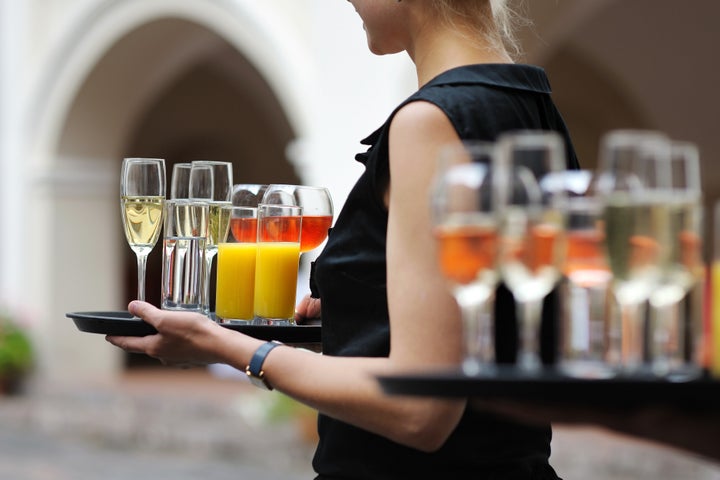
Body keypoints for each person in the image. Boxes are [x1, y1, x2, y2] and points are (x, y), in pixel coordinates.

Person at [107, 1, 579, 478]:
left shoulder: (431, 121)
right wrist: (358, 319)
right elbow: (487, 337)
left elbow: (422, 410)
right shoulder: (530, 104)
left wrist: (225, 346)